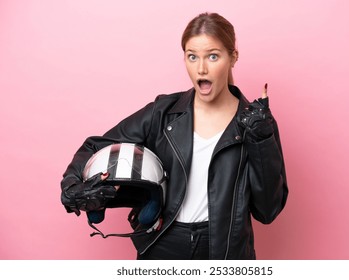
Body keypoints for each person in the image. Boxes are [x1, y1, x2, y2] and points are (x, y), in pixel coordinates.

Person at [60, 12, 288, 260]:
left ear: (233, 57)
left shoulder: (256, 123)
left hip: (224, 251)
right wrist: (72, 186)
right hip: (163, 243)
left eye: (213, 56)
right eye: (192, 57)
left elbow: (268, 211)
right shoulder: (163, 112)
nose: (201, 68)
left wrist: (262, 140)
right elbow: (95, 146)